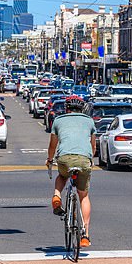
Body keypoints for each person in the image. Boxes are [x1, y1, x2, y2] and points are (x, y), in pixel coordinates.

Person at [46, 95, 96, 248]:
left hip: (64, 158)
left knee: (62, 176)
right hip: (83, 159)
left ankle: (56, 196)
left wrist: (49, 159)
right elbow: (93, 146)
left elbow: (53, 146)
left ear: (66, 108)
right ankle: (85, 234)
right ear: (82, 108)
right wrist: (89, 159)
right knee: (83, 195)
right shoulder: (89, 121)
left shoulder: (59, 121)